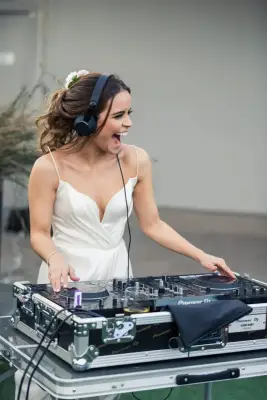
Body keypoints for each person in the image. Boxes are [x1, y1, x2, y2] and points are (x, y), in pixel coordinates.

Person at [14, 70, 235, 400]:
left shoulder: (137, 160)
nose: (129, 123)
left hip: (118, 274)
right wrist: (55, 257)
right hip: (66, 276)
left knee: (106, 375)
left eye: (130, 113)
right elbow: (39, 233)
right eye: (119, 115)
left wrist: (200, 255)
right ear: (87, 119)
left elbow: (153, 224)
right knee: (45, 378)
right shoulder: (49, 168)